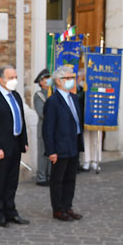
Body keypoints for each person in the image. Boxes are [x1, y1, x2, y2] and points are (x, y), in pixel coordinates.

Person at [0, 65, 30, 227]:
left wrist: (24, 141)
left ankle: (11, 211)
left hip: (16, 145)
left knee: (12, 180)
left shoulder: (16, 96)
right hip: (1, 147)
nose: (14, 81)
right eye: (11, 78)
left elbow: (21, 120)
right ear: (1, 80)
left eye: (15, 77)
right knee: (0, 181)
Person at [43, 65, 85, 222]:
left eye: (72, 78)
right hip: (59, 147)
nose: (71, 81)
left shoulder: (73, 98)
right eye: (67, 78)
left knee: (70, 178)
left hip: (73, 144)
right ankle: (58, 209)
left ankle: (68, 206)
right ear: (58, 81)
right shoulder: (53, 101)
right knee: (58, 180)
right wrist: (51, 150)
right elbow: (48, 128)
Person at [33, 68, 52, 186]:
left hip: (52, 128)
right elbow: (41, 112)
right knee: (42, 153)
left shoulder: (52, 93)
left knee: (51, 153)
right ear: (41, 82)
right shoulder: (39, 95)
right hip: (43, 127)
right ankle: (41, 177)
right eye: (46, 79)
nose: (48, 81)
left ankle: (49, 175)